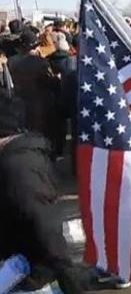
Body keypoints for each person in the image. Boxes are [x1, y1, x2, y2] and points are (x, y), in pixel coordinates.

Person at [0, 91, 82, 294]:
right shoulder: (18, 160)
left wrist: (70, 282)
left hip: (29, 279)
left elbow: (44, 227)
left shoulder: (19, 168)